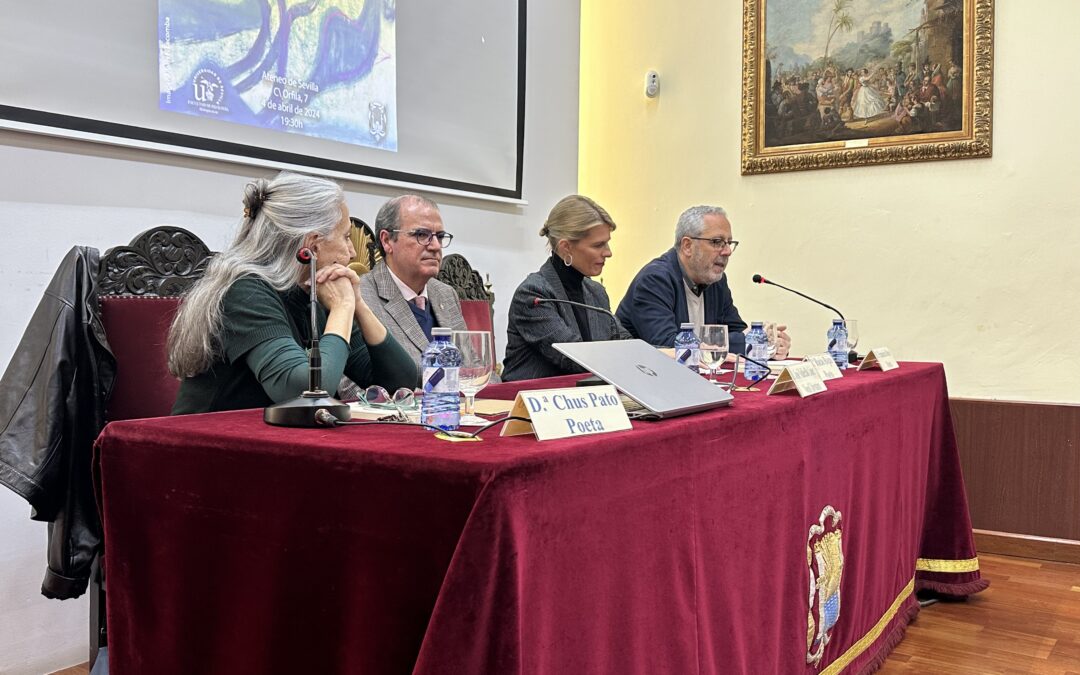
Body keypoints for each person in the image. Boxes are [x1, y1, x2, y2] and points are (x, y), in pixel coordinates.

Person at [168, 171, 416, 414]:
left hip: (273, 442)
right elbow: (304, 392)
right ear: (312, 245)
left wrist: (358, 305)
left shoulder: (317, 294)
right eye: (346, 237)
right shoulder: (245, 291)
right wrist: (342, 308)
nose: (352, 252)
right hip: (207, 444)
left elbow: (401, 383)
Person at [616, 205, 790, 358]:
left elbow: (735, 331)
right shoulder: (655, 279)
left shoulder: (715, 280)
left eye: (729, 243)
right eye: (717, 242)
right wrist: (751, 340)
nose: (727, 251)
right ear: (687, 246)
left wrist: (769, 344)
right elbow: (670, 345)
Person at [502, 195, 631, 381]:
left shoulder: (597, 292)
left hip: (588, 402)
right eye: (598, 245)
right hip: (530, 404)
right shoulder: (533, 295)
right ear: (566, 248)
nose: (608, 252)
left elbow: (625, 343)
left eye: (607, 242)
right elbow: (573, 358)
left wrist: (666, 354)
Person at [359, 195, 467, 375]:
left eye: (439, 237)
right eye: (421, 235)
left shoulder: (446, 294)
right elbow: (354, 388)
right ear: (387, 241)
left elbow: (473, 367)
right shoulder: (361, 298)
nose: (435, 246)